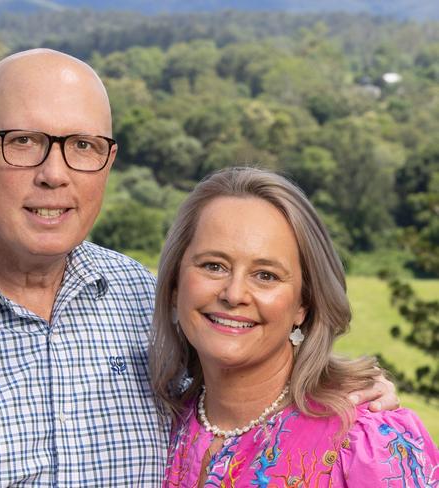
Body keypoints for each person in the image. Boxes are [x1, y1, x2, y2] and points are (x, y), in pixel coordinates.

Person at [0, 50, 398, 487]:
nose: (54, 173)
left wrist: (337, 388)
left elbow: (245, 383)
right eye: (23, 141)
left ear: (107, 162)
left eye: (82, 146)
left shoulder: (149, 304)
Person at [150, 167, 438, 487]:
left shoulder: (366, 442)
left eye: (266, 275)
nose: (233, 294)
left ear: (304, 304)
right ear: (175, 285)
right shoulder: (156, 423)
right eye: (213, 266)